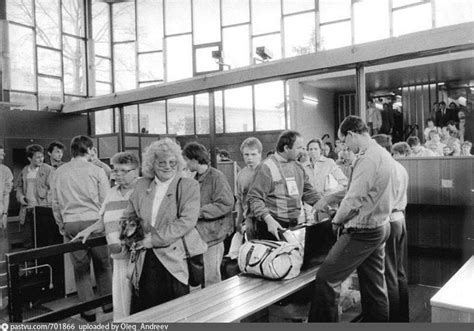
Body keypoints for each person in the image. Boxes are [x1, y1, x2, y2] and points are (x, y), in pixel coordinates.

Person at [309, 115, 395, 322]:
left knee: (326, 279)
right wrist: (330, 197)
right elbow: (353, 189)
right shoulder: (381, 153)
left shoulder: (367, 159)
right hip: (380, 226)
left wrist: (336, 221)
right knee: (374, 286)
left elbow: (353, 199)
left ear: (351, 135)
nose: (344, 147)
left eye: (344, 141)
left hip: (363, 231)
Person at [121, 138, 206, 313]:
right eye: (162, 163)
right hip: (145, 259)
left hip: (174, 260)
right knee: (146, 314)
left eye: (172, 162)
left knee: (176, 313)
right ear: (152, 164)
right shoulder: (141, 185)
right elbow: (129, 216)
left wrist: (154, 240)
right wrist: (131, 237)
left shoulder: (188, 185)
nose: (168, 166)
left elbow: (187, 221)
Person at [51, 136, 112, 322]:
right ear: (91, 150)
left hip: (71, 223)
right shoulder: (97, 170)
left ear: (72, 150)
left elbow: (55, 202)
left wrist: (61, 224)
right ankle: (108, 304)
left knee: (81, 269)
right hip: (94, 222)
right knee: (103, 264)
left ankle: (88, 311)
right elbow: (106, 201)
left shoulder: (59, 172)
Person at [73, 152, 140, 320]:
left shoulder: (143, 189)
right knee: (121, 298)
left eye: (122, 171)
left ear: (135, 171)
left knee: (138, 300)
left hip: (139, 256)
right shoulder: (112, 192)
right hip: (118, 256)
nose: (116, 174)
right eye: (115, 170)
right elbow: (103, 219)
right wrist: (88, 230)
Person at [246, 130, 322, 240]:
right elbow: (254, 198)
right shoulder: (266, 167)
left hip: (294, 226)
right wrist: (268, 219)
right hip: (273, 227)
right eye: (299, 148)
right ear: (286, 148)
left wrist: (325, 205)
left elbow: (308, 192)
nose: (302, 152)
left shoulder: (298, 167)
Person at [182, 142, 234, 287]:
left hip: (213, 236)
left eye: (186, 159)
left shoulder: (217, 177)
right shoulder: (195, 178)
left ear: (194, 159)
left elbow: (226, 204)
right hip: (199, 236)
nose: (185, 164)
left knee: (212, 279)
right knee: (199, 278)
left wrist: (199, 212)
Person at [372, 134, 410, 322]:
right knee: (399, 271)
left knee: (389, 274)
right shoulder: (400, 167)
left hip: (388, 221)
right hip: (400, 219)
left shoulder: (384, 168)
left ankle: (394, 320)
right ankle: (403, 317)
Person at [15, 144, 54, 248]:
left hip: (42, 211)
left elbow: (52, 189)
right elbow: (18, 187)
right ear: (29, 158)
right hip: (27, 211)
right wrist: (21, 198)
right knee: (28, 241)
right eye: (37, 157)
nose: (41, 159)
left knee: (43, 241)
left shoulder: (48, 170)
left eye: (42, 156)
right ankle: (30, 263)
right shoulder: (24, 171)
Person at [235, 137, 263, 234]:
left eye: (253, 154)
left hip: (267, 218)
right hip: (249, 220)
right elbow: (239, 200)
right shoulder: (241, 175)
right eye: (246, 154)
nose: (250, 158)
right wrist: (238, 221)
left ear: (260, 154)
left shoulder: (268, 173)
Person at [0, 146, 13, 229]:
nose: (2, 156)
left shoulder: (5, 171)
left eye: (3, 153)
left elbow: (6, 194)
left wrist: (4, 214)